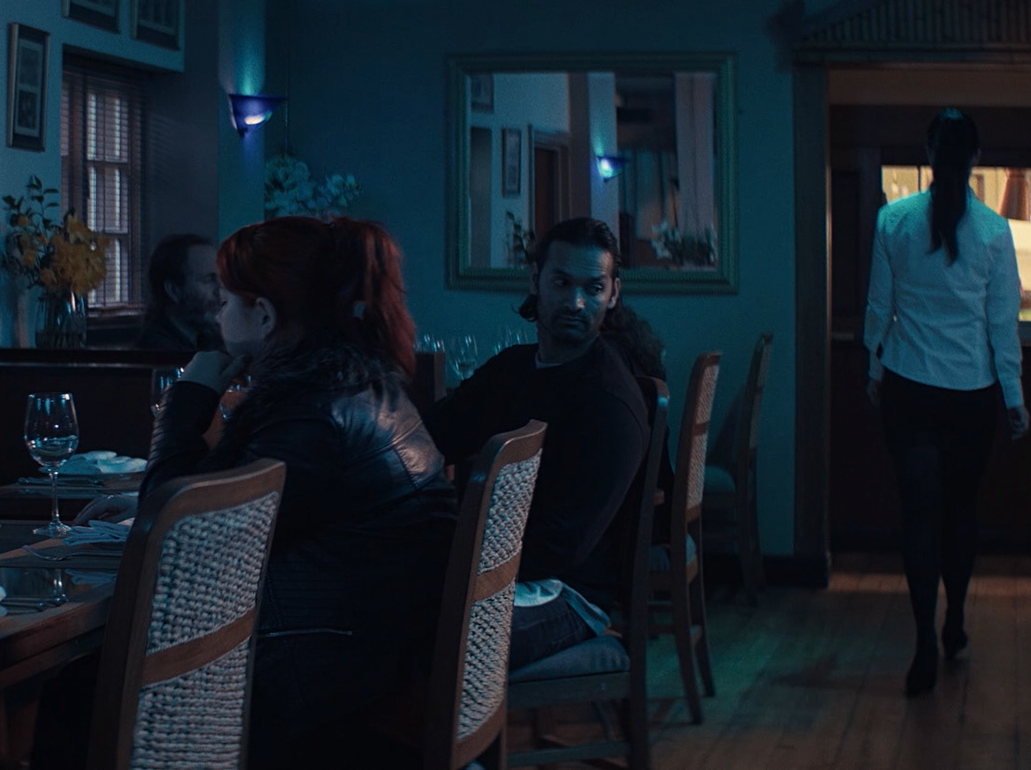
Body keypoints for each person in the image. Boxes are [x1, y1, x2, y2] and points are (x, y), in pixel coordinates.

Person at [80, 215, 455, 767]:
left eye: (226, 301)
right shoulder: (348, 382)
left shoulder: (313, 412)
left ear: (263, 314)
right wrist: (151, 501)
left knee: (84, 687)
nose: (218, 314)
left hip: (339, 660)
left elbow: (181, 543)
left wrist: (188, 398)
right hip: (376, 632)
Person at [423, 217, 651, 671]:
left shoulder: (609, 402)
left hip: (569, 593)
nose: (576, 302)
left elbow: (563, 545)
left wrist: (454, 560)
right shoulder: (512, 369)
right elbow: (433, 439)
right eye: (562, 283)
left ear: (613, 294)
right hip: (493, 567)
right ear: (535, 281)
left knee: (425, 635)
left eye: (593, 288)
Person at [862, 108, 1029, 698]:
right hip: (971, 393)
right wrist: (1014, 396)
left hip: (909, 387)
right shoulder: (994, 231)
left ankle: (922, 645)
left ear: (929, 154)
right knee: (961, 512)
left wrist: (874, 368)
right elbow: (1001, 322)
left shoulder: (893, 220)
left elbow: (879, 308)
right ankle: (954, 619)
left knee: (919, 517)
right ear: (976, 159)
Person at [132, 233, 222, 350]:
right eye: (208, 280)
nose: (221, 290)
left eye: (221, 278)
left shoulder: (209, 338)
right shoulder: (158, 350)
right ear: (174, 291)